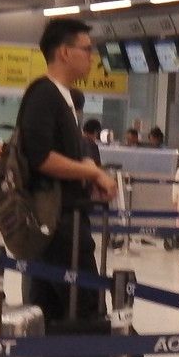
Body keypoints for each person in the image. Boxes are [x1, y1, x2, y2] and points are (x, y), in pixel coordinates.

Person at [14, 20, 118, 325]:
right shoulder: (44, 94)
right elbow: (40, 157)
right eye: (86, 49)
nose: (92, 57)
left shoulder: (63, 96)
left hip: (64, 220)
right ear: (64, 52)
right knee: (85, 310)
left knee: (51, 312)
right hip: (57, 226)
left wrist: (85, 174)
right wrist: (92, 172)